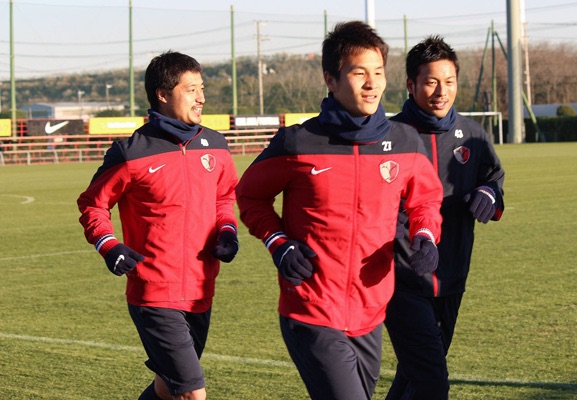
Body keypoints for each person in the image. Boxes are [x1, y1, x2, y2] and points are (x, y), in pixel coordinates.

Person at [235, 21, 443, 400]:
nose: (372, 84)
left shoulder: (405, 142)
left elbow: (425, 200)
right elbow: (250, 195)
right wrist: (278, 242)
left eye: (378, 72)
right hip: (311, 308)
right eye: (359, 73)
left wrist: (426, 236)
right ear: (330, 79)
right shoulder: (298, 142)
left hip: (371, 310)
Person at [77, 51, 239, 400]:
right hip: (154, 293)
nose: (201, 98)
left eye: (202, 88)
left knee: (167, 388)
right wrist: (108, 244)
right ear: (163, 94)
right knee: (192, 393)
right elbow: (93, 204)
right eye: (191, 89)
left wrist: (227, 229)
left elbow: (224, 198)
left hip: (201, 289)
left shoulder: (217, 145)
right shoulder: (131, 152)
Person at [385, 35, 505, 400]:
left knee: (417, 373)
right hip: (404, 275)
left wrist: (489, 193)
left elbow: (493, 179)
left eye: (449, 81)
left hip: (453, 271)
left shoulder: (473, 135)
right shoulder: (390, 136)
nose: (441, 91)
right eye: (431, 82)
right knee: (431, 378)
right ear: (411, 84)